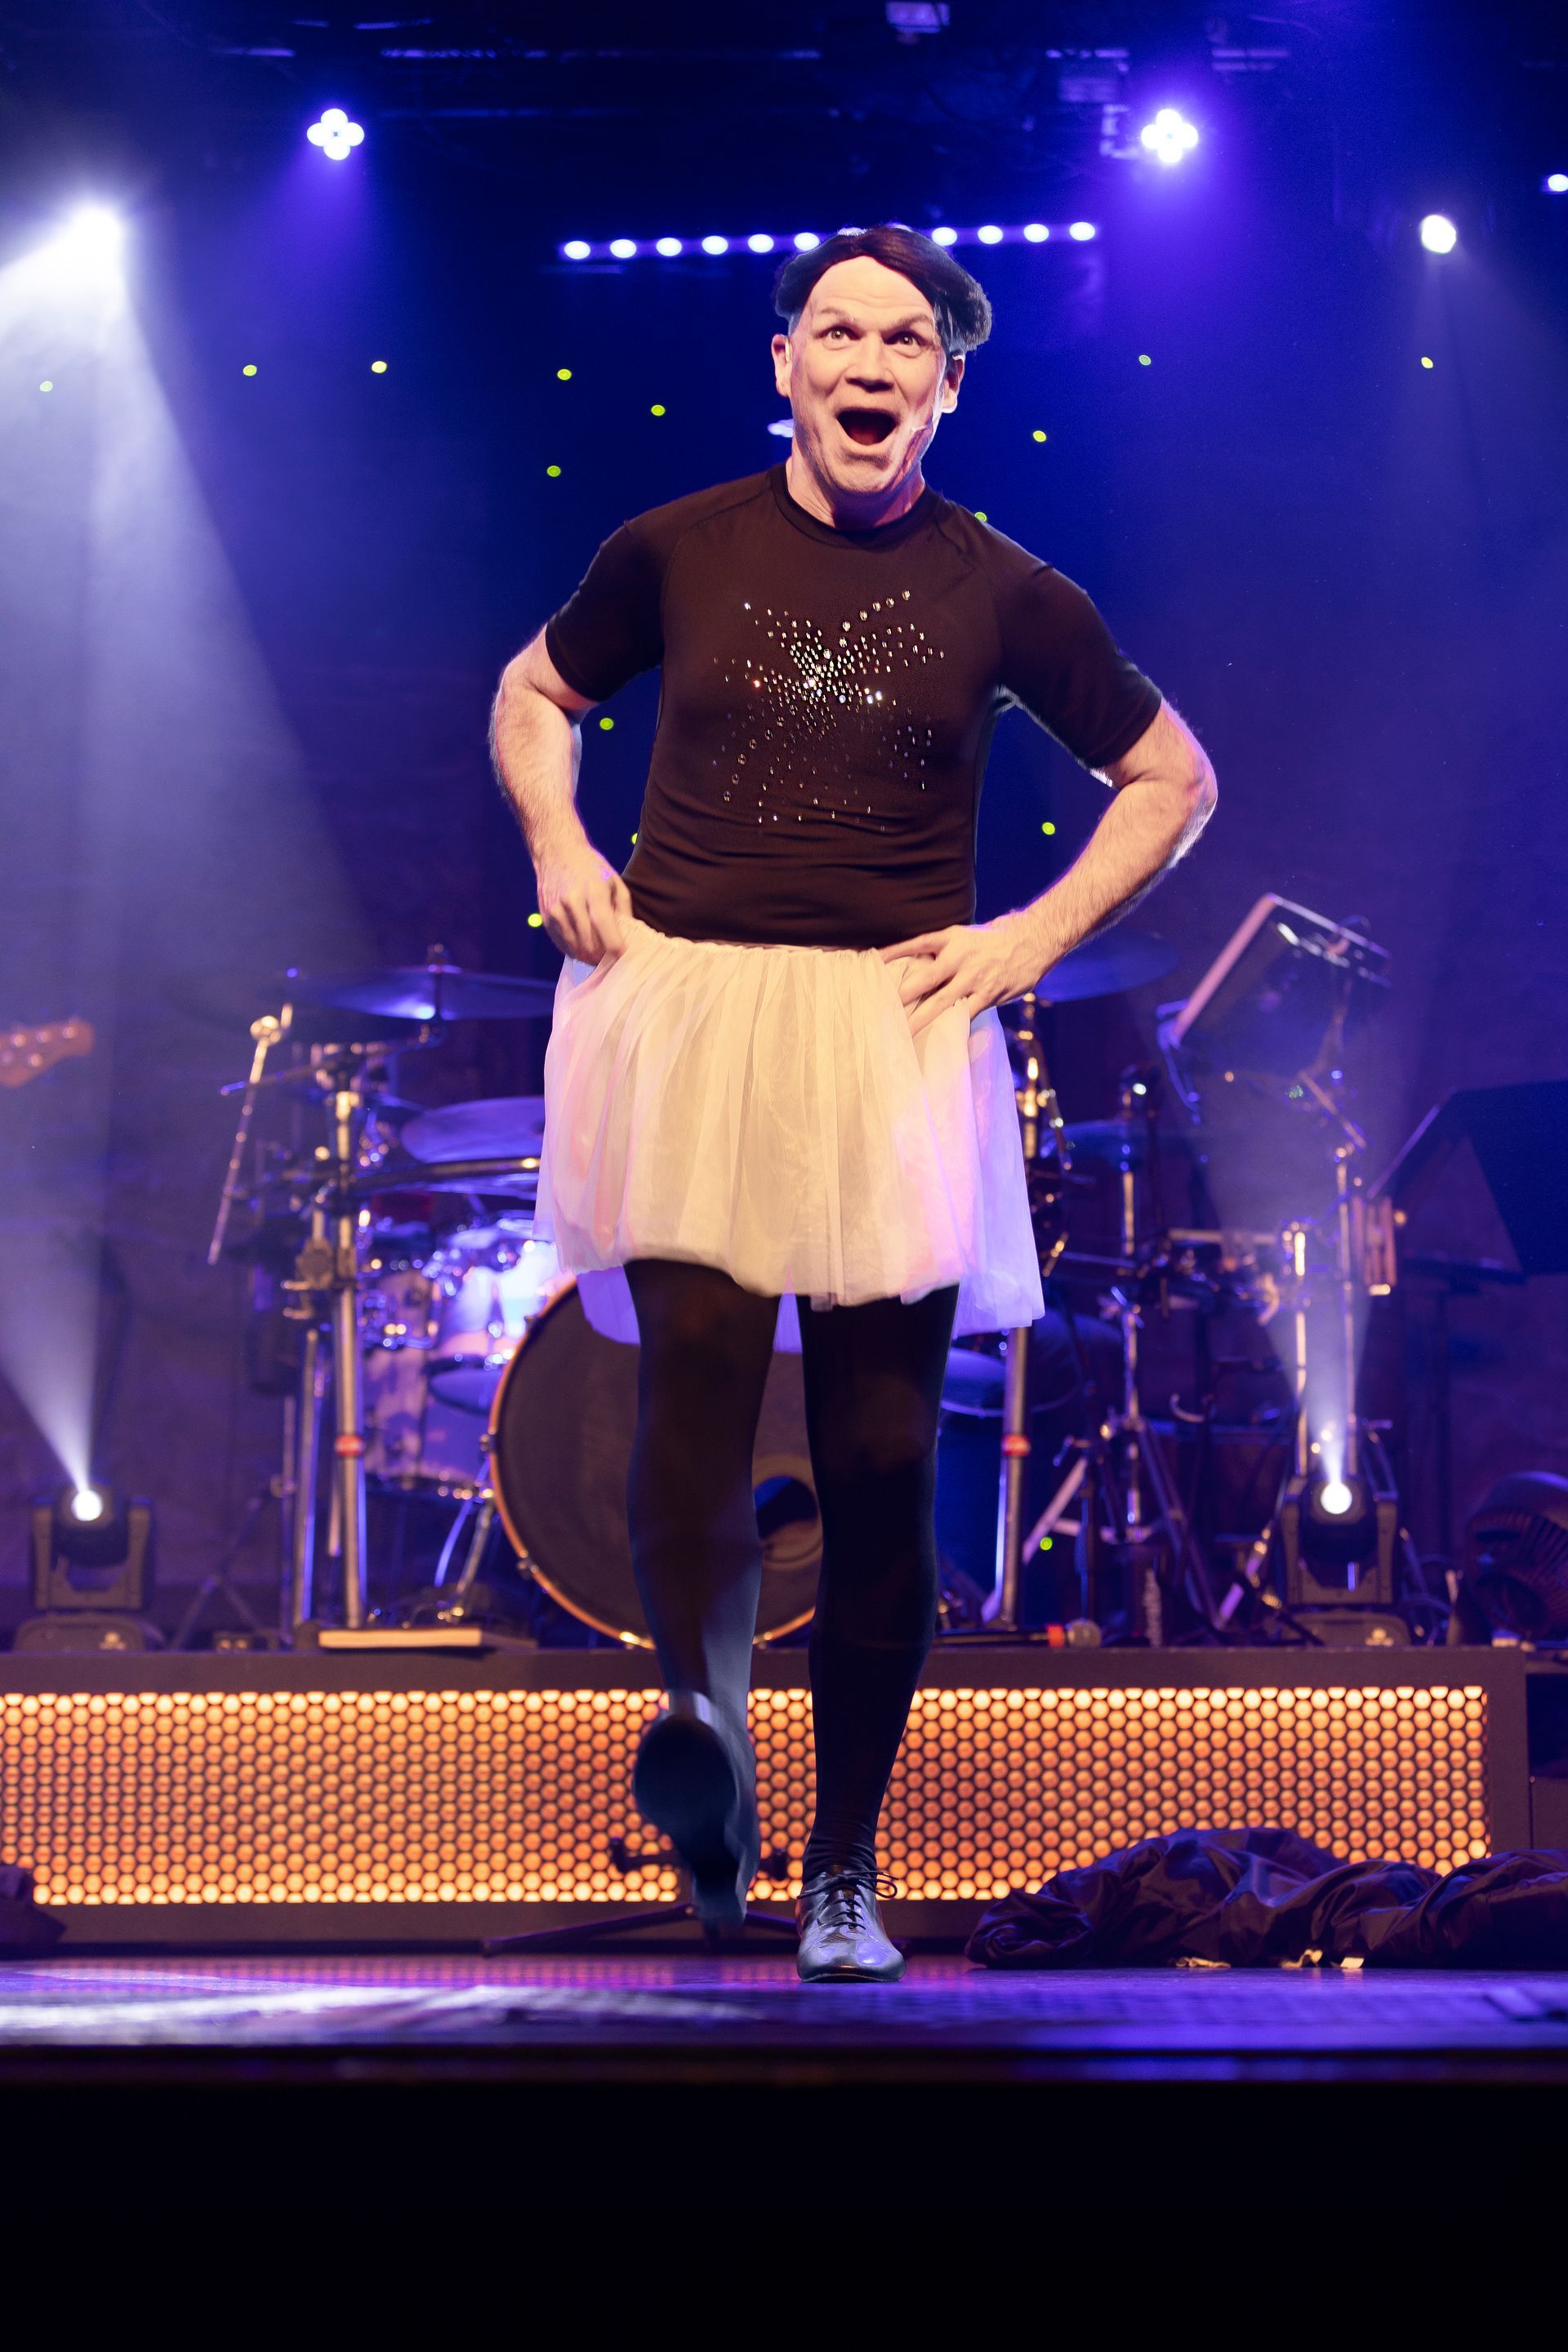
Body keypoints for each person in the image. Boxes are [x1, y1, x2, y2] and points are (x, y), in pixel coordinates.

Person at [491, 223, 1215, 1981]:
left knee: (883, 1465)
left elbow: (1171, 774)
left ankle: (842, 1871)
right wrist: (560, 839)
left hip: (885, 1029)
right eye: (840, 333)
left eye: (907, 341)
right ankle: (709, 1733)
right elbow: (534, 692)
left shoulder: (1003, 586)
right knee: (689, 1418)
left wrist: (1033, 935)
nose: (871, 363)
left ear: (946, 388)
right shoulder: (671, 548)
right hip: (688, 1004)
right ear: (786, 365)